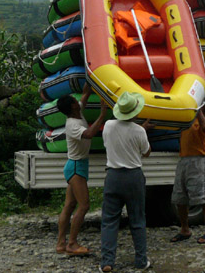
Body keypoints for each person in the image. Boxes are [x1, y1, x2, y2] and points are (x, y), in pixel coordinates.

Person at [99, 91, 152, 273]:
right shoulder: (139, 131)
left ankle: (107, 262)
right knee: (137, 219)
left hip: (113, 176)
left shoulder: (108, 125)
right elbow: (146, 152)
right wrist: (143, 129)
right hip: (133, 177)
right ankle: (141, 261)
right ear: (134, 112)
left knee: (109, 221)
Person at [55, 82, 108, 255]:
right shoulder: (72, 125)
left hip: (75, 165)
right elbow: (89, 134)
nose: (78, 101)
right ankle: (72, 244)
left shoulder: (77, 112)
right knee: (84, 205)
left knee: (69, 205)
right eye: (74, 101)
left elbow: (84, 94)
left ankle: (61, 244)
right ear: (72, 106)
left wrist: (91, 81)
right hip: (77, 167)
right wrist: (102, 114)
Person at [170, 97, 205, 244]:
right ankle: (185, 229)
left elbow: (204, 129)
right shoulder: (186, 122)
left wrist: (197, 110)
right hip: (183, 161)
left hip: (198, 161)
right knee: (180, 198)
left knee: (203, 198)